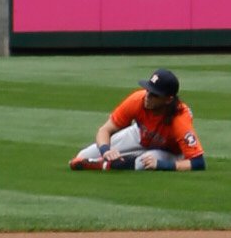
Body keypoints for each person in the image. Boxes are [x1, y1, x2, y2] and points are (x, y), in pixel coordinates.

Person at [71, 70, 205, 172]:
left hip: (170, 152)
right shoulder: (137, 100)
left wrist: (164, 165)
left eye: (154, 94)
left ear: (168, 99)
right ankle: (106, 160)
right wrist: (106, 151)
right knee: (83, 155)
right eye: (148, 90)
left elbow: (198, 162)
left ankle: (106, 164)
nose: (147, 96)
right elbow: (105, 130)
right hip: (140, 134)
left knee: (145, 162)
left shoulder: (180, 119)